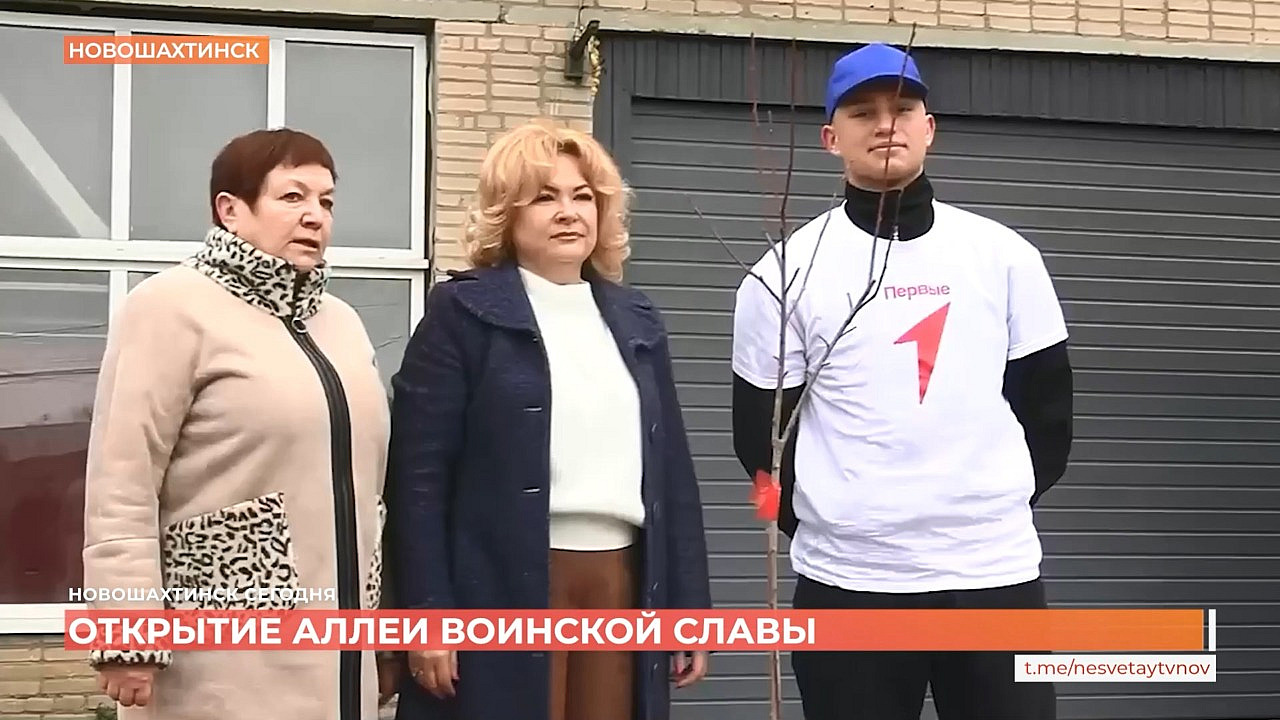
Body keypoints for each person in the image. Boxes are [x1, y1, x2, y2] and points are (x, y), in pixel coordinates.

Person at [730, 43, 1073, 720]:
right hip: (848, 584)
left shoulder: (1005, 258)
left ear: (929, 127)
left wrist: (979, 509)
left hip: (993, 577)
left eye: (903, 109)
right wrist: (844, 521)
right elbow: (760, 441)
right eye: (862, 112)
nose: (886, 124)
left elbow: (1049, 416)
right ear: (831, 138)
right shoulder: (782, 274)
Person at [387, 119, 712, 720]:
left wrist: (688, 608)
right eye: (544, 197)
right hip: (496, 582)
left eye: (582, 196)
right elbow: (418, 481)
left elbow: (673, 474)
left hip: (620, 580)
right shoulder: (462, 314)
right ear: (506, 213)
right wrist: (427, 613)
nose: (568, 212)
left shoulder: (637, 319)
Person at [81, 128, 399, 719]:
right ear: (230, 210)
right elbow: (120, 486)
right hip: (221, 656)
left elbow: (370, 490)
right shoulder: (169, 308)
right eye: (292, 197)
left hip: (341, 653)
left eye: (326, 201)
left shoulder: (343, 324)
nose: (315, 216)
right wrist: (128, 633)